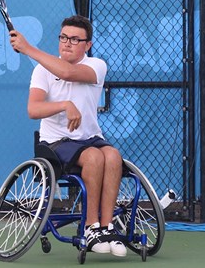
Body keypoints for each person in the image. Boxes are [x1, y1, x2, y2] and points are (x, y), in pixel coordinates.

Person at [9, 14, 126, 257]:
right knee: (94, 157)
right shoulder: (42, 71)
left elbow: (69, 73)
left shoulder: (97, 65)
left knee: (113, 155)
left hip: (90, 137)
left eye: (75, 39)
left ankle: (107, 227)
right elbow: (34, 109)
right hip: (55, 144)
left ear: (88, 45)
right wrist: (63, 105)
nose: (67, 43)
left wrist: (28, 48)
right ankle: (90, 227)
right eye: (63, 37)